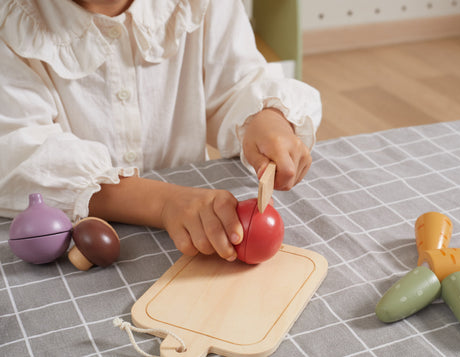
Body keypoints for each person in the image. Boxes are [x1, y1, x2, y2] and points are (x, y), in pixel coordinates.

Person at [0, 0, 322, 262]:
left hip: (196, 223)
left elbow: (235, 84)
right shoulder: (11, 20)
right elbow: (21, 156)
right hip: (76, 228)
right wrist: (165, 203)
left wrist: (266, 119)